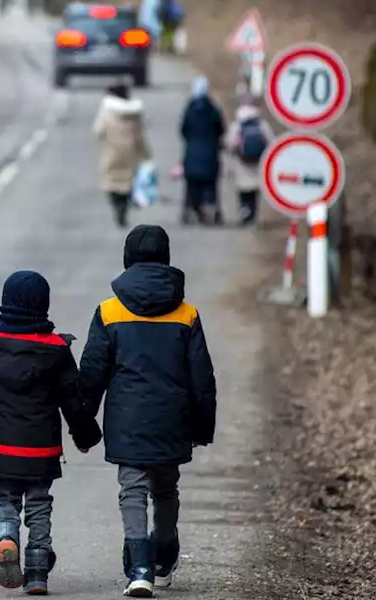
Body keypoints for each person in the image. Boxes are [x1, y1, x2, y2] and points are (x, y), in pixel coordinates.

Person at [77, 225, 217, 598]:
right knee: (166, 487)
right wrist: (203, 427)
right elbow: (201, 376)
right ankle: (165, 553)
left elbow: (92, 371)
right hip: (173, 418)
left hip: (128, 417)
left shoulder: (109, 311)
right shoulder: (186, 314)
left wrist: (83, 420)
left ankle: (139, 566)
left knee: (133, 489)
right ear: (167, 258)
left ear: (127, 258)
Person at [0, 270, 103, 595]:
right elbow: (72, 401)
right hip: (41, 450)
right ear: (44, 306)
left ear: (5, 303)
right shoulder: (56, 349)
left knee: (5, 499)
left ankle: (6, 533)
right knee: (39, 505)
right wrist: (86, 436)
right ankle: (37, 572)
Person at [93, 81, 152, 229]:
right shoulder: (135, 114)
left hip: (112, 153)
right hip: (131, 154)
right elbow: (140, 136)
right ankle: (124, 210)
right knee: (128, 183)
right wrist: (146, 154)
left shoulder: (107, 113)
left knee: (113, 182)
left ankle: (117, 207)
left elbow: (98, 132)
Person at [179, 77, 227, 225]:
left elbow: (183, 130)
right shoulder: (213, 110)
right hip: (210, 154)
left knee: (192, 185)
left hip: (192, 154)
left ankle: (192, 210)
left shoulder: (189, 109)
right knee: (210, 184)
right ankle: (210, 209)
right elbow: (221, 129)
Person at [223, 95, 273, 226]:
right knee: (254, 190)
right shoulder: (261, 124)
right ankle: (252, 213)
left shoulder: (238, 124)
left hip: (241, 162)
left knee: (243, 190)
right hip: (257, 163)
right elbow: (270, 141)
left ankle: (244, 211)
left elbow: (230, 142)